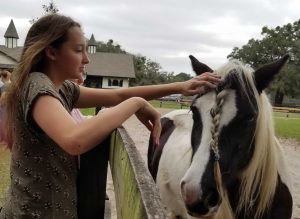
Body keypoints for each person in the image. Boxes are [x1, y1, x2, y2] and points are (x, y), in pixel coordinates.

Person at [0, 14, 220, 219]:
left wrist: (182, 86)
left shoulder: (63, 89)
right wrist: (135, 104)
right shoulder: (37, 84)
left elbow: (117, 94)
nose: (86, 59)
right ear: (52, 52)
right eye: (78, 50)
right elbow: (74, 140)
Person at [0, 70, 11, 146]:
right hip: (10, 106)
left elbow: (3, 96)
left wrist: (0, 104)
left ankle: (4, 140)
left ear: (4, 77)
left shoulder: (5, 86)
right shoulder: (13, 84)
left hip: (5, 106)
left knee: (3, 122)